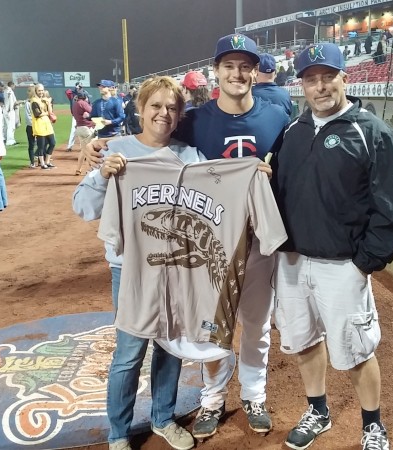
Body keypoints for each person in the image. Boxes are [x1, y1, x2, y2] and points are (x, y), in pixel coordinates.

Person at [86, 33, 290, 442]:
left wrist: (259, 179)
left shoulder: (276, 116)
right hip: (193, 252)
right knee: (189, 330)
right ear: (216, 72)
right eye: (229, 65)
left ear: (255, 71)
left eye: (244, 65)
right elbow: (148, 141)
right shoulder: (190, 123)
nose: (237, 73)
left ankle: (250, 396)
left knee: (251, 327)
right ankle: (206, 401)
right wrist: (98, 158)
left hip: (243, 244)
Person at [271, 43, 393, 450]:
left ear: (344, 77)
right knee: (304, 342)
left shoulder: (372, 132)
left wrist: (364, 263)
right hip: (294, 262)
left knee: (355, 351)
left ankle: (373, 425)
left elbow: (392, 207)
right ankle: (319, 411)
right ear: (302, 85)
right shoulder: (292, 133)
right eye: (311, 79)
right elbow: (279, 193)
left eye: (328, 76)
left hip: (343, 265)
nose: (320, 86)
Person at [73, 76, 205, 450]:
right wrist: (101, 175)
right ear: (140, 109)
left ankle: (163, 417)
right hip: (129, 268)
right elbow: (82, 208)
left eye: (172, 108)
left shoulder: (191, 156)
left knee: (169, 345)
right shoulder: (116, 151)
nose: (164, 113)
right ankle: (118, 432)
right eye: (156, 106)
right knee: (130, 351)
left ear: (180, 115)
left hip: (176, 267)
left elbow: (219, 192)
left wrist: (252, 175)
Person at [30, 83, 56, 170]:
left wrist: (48, 104)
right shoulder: (34, 101)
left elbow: (50, 112)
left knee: (52, 143)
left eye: (42, 90)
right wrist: (46, 113)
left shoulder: (44, 100)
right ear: (36, 91)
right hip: (39, 125)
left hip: (47, 124)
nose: (41, 92)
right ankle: (42, 163)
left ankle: (47, 162)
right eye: (39, 90)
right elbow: (37, 114)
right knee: (41, 145)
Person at [72, 91, 95, 175]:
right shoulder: (83, 103)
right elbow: (92, 112)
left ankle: (78, 169)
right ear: (85, 97)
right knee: (90, 150)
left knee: (83, 150)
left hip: (79, 128)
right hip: (86, 128)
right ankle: (89, 169)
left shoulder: (75, 104)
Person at [24, 84, 37, 168]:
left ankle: (40, 160)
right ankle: (32, 162)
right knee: (32, 145)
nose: (27, 92)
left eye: (29, 91)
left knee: (42, 143)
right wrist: (34, 125)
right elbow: (28, 117)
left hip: (38, 125)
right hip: (32, 126)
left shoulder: (36, 101)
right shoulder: (28, 103)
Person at [3, 81, 18, 145]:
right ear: (12, 85)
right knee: (11, 126)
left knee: (6, 126)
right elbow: (14, 102)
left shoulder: (5, 90)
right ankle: (10, 141)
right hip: (9, 111)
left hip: (6, 110)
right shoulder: (10, 91)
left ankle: (5, 139)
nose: (14, 87)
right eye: (14, 85)